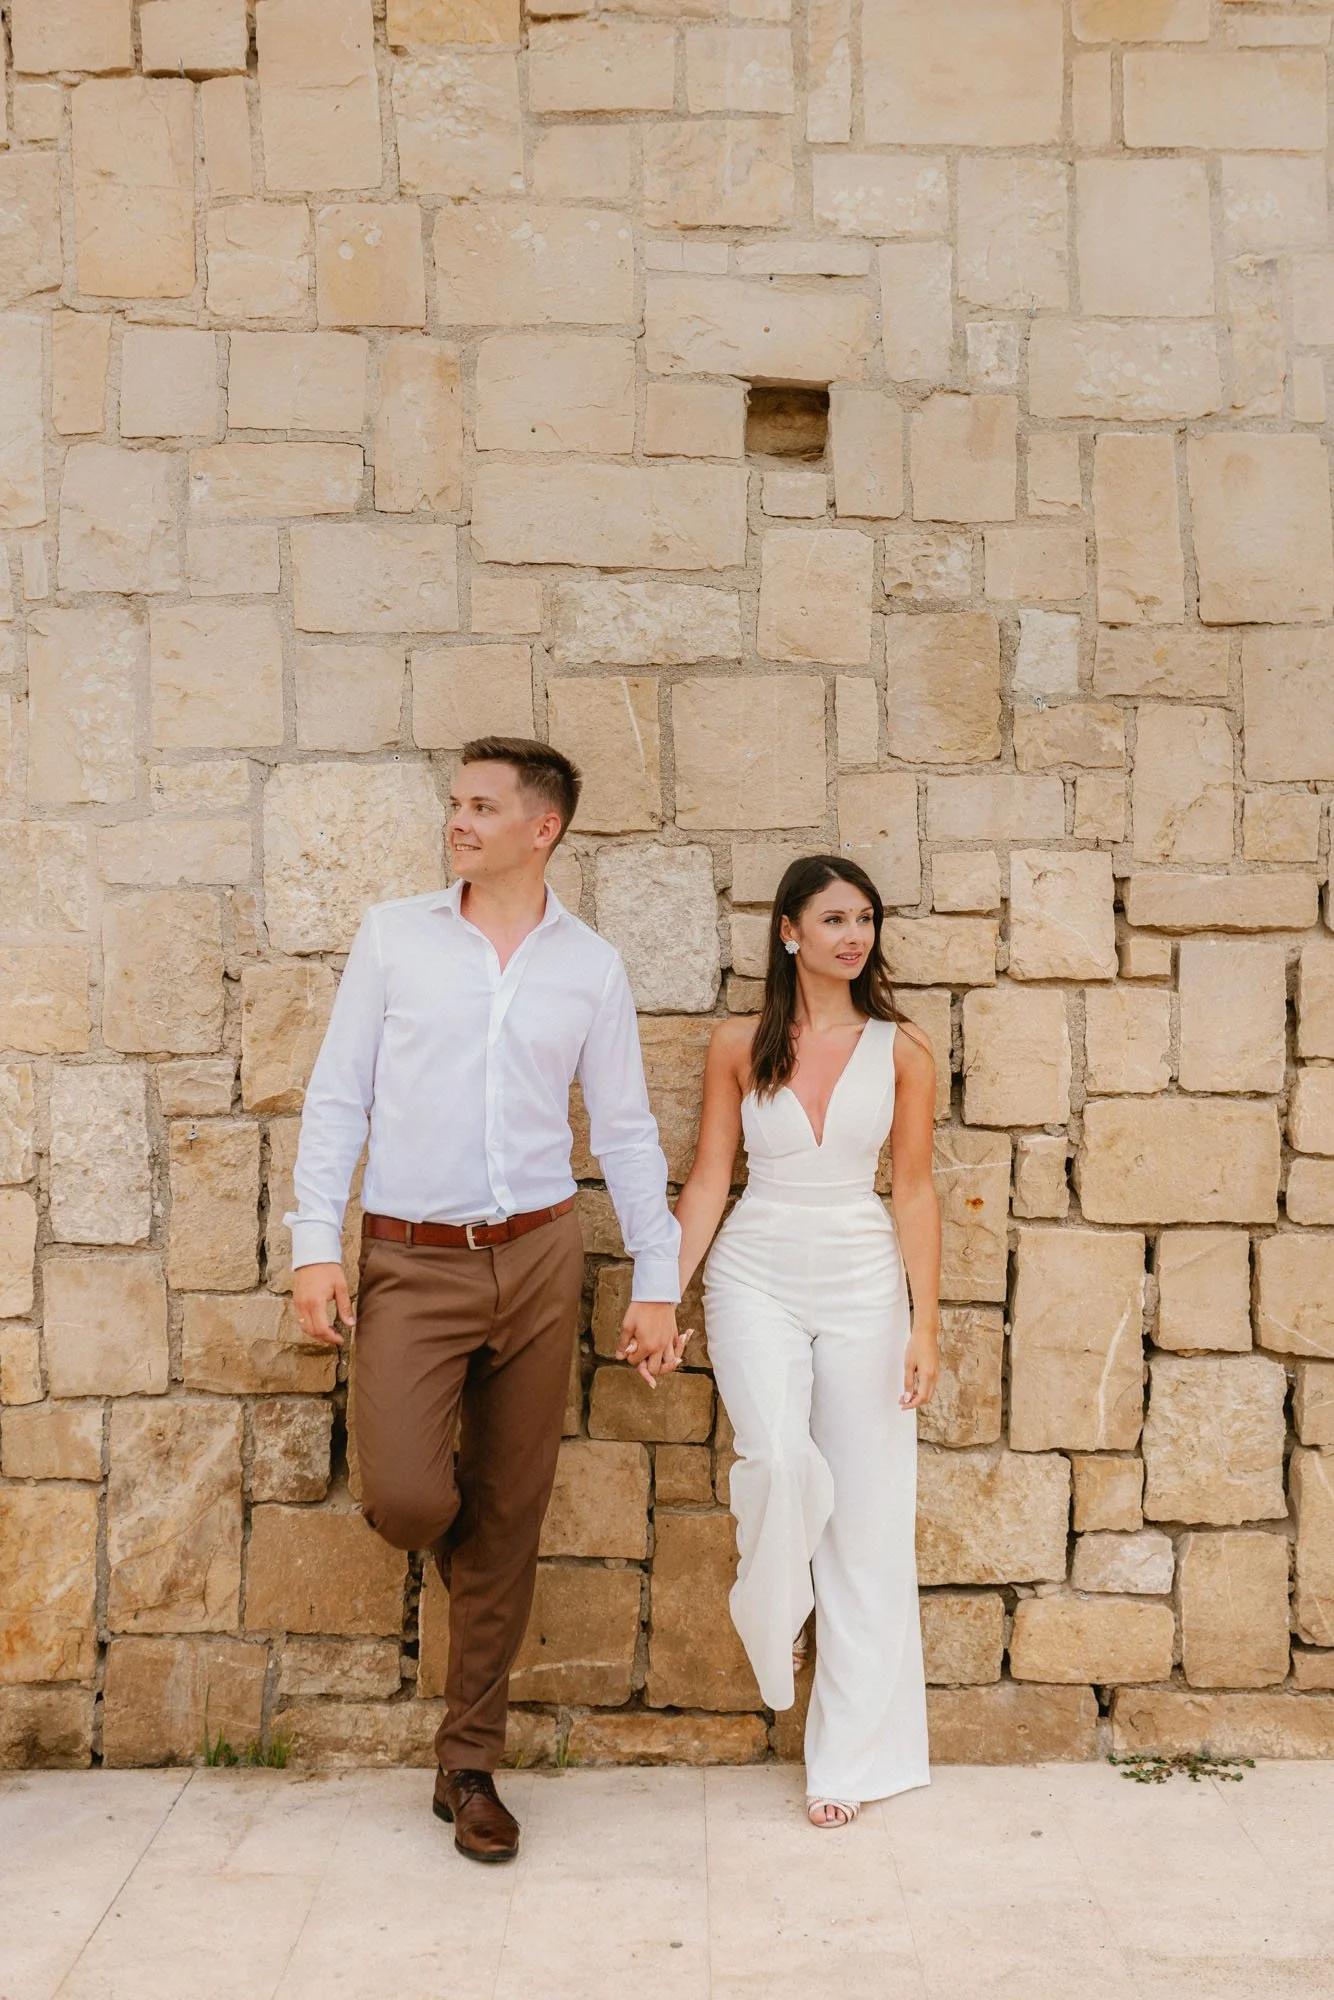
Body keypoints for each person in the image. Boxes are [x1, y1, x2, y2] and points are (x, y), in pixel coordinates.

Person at [287, 737, 684, 1864]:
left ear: (539, 827)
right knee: (415, 1499)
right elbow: (336, 1099)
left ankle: (468, 1761)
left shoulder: (588, 967)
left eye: (479, 805)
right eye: (454, 803)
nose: (457, 820)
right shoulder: (393, 937)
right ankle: (480, 1566)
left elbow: (622, 1132)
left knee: (513, 1512)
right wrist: (317, 1243)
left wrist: (654, 1276)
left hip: (541, 1255)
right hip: (411, 1260)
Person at [673, 854, 941, 1829]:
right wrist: (660, 1293)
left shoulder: (902, 1046)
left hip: (865, 1278)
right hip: (754, 1269)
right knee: (779, 1458)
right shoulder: (737, 1043)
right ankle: (775, 1604)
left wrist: (924, 1321)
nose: (852, 934)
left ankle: (847, 1759)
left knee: (867, 1521)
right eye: (832, 917)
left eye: (864, 917)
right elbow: (708, 1179)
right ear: (787, 931)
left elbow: (910, 1187)